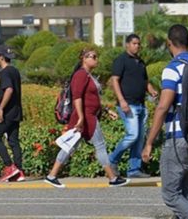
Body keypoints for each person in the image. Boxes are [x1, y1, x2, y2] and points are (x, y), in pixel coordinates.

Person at [45, 48, 129, 189]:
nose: (96, 59)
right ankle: (112, 178)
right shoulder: (81, 75)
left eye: (96, 57)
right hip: (85, 117)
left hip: (86, 116)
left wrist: (107, 110)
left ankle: (52, 176)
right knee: (100, 146)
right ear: (84, 58)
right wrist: (82, 118)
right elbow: (77, 97)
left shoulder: (88, 75)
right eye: (93, 57)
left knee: (71, 146)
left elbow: (91, 99)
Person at [142, 24, 188, 219]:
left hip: (177, 135)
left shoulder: (172, 68)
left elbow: (163, 107)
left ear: (169, 43)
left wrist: (149, 142)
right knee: (186, 193)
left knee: (171, 195)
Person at [109, 33, 158, 179]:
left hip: (141, 105)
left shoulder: (140, 62)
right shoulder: (121, 60)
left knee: (139, 138)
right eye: (134, 43)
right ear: (127, 45)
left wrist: (151, 90)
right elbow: (115, 81)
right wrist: (122, 101)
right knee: (132, 135)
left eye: (138, 44)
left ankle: (134, 169)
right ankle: (111, 160)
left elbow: (145, 81)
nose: (137, 46)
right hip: (128, 104)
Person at [0, 45, 24, 182]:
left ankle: (9, 166)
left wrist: (1, 109)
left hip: (7, 113)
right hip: (16, 112)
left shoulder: (5, 73)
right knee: (13, 141)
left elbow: (9, 90)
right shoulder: (15, 71)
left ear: (2, 58)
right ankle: (19, 171)